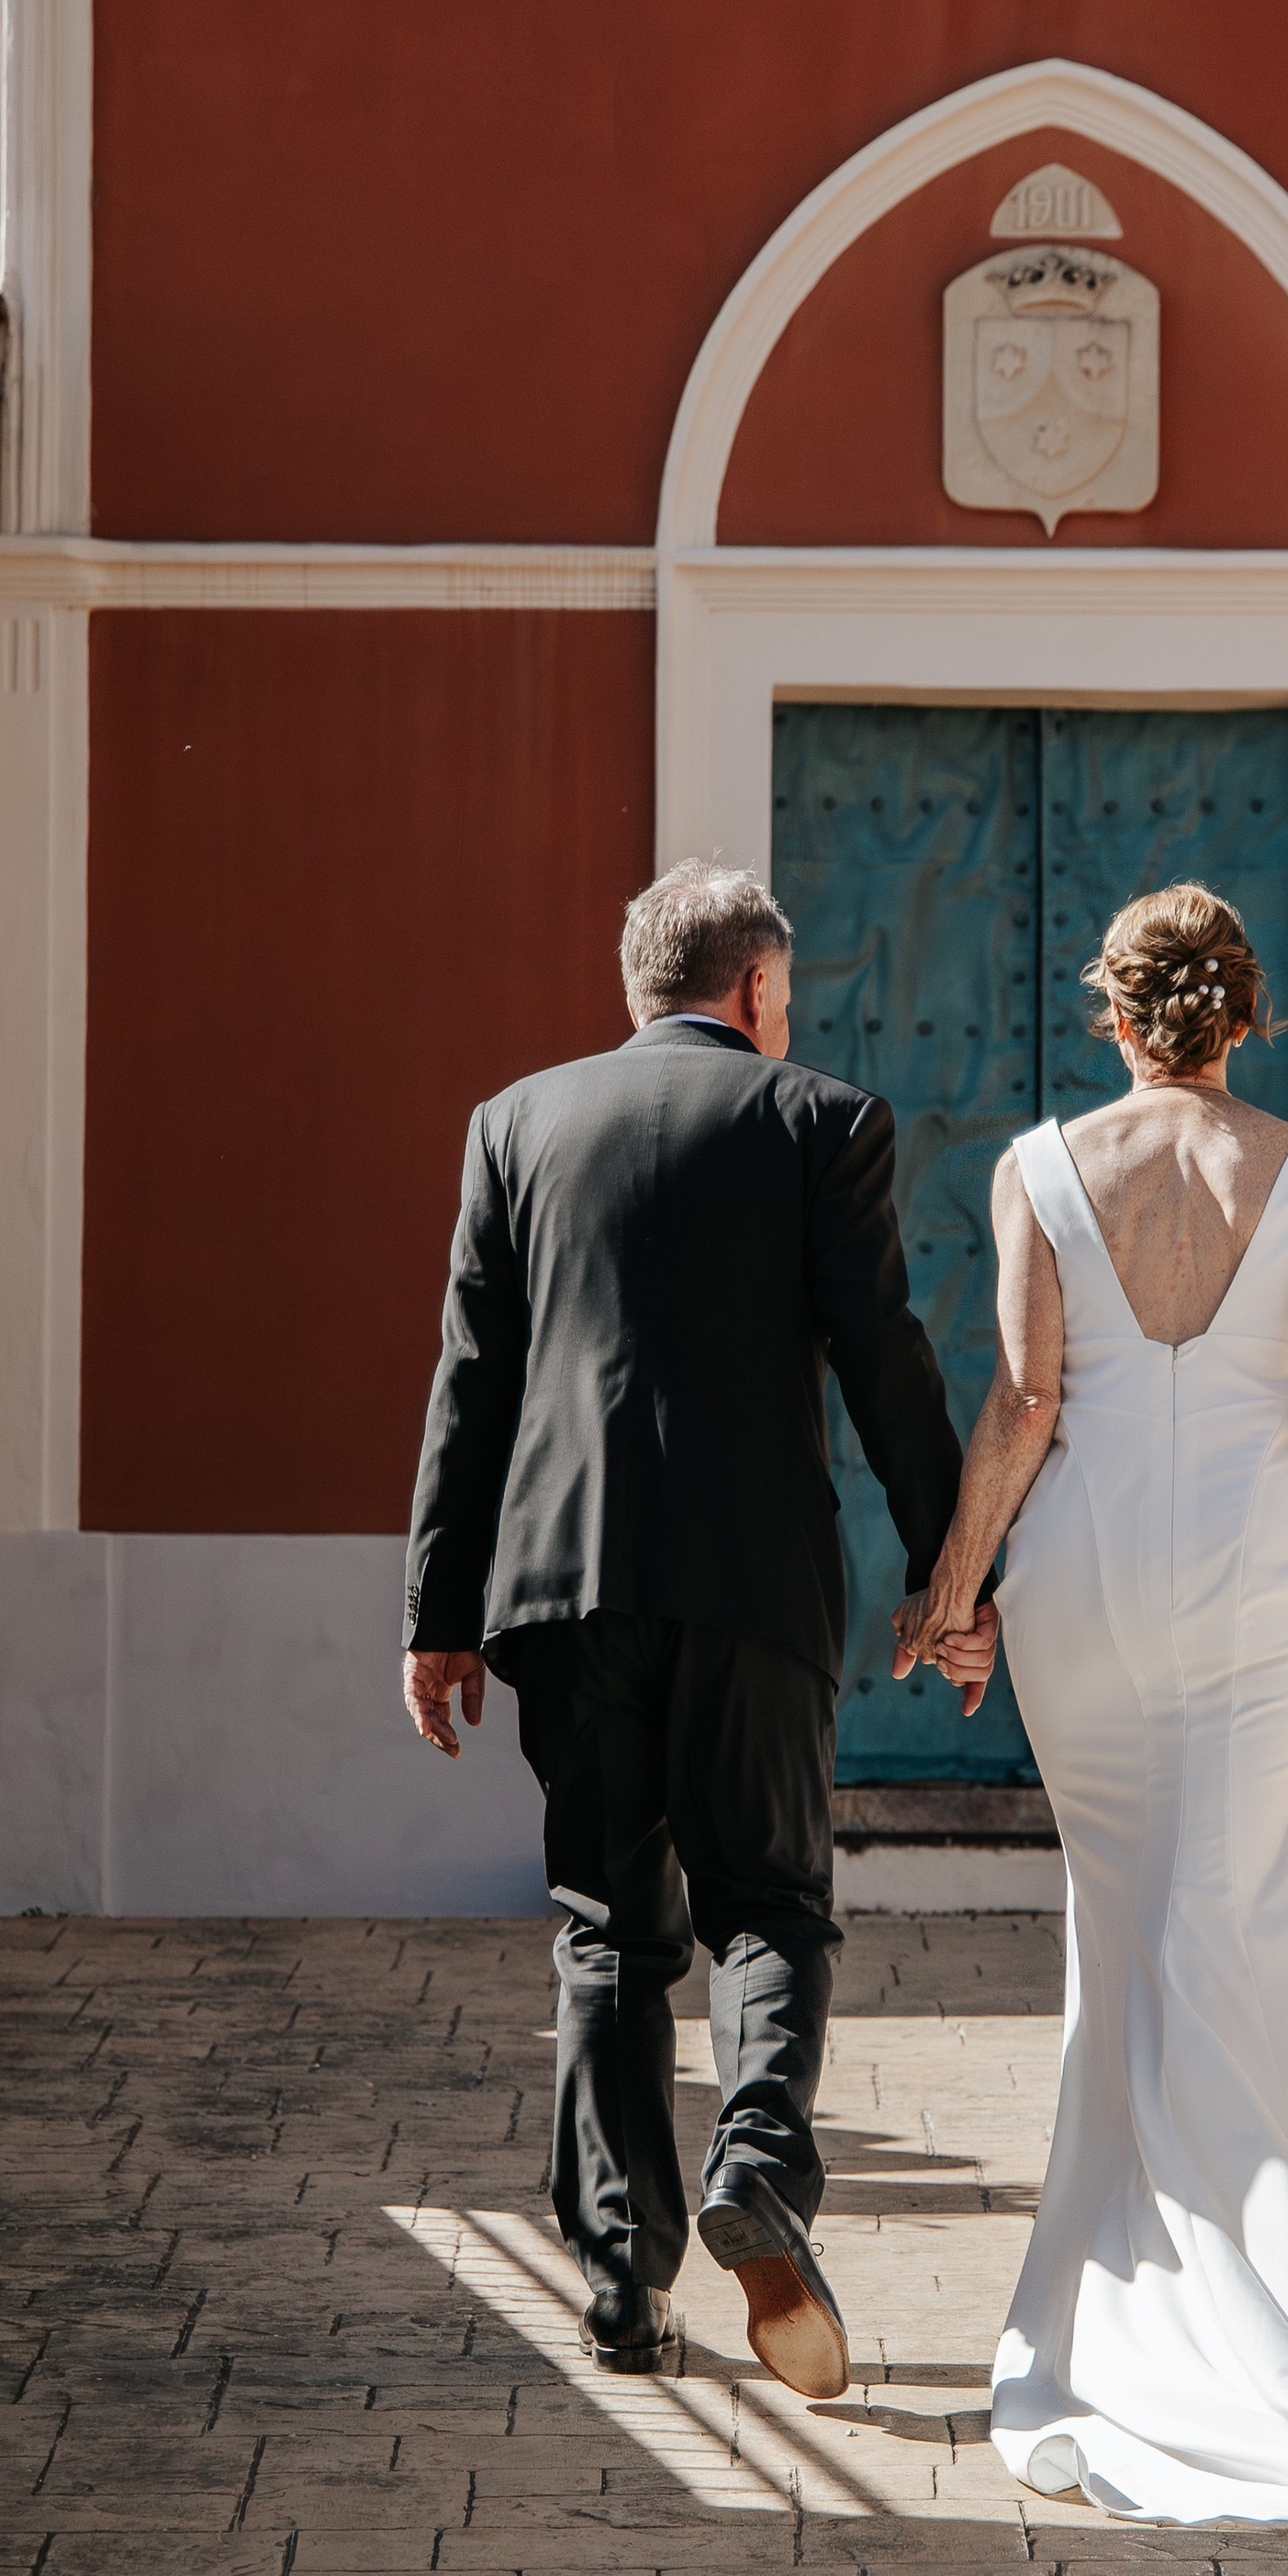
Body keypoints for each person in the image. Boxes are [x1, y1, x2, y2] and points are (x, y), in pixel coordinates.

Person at [895, 884, 1288, 2533]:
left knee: (1136, 1905)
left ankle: (1155, 2262)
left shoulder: (1039, 1166)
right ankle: (1260, 2277)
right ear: (1245, 1018)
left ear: (1115, 1013)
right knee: (1220, 1908)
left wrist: (957, 1582)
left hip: (1084, 1571)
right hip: (1260, 1559)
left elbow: (1024, 1395)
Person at [402, 861, 994, 2392]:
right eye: (781, 1003)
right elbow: (883, 1360)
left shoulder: (515, 1125)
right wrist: (954, 1575)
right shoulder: (822, 1121)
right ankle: (759, 2165)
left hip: (562, 1589)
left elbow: (473, 1380)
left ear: (639, 989)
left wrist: (438, 1610)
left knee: (606, 1929)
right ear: (752, 993)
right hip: (755, 1592)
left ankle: (619, 2281)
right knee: (770, 1906)